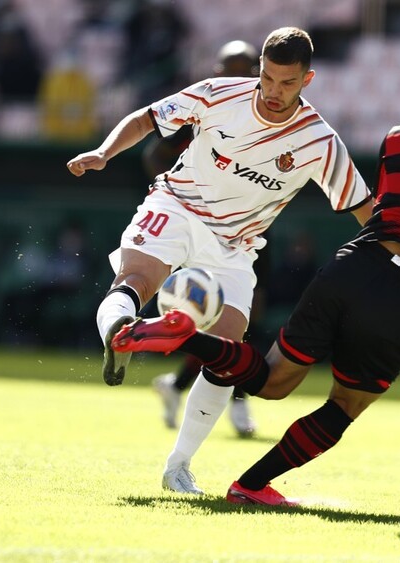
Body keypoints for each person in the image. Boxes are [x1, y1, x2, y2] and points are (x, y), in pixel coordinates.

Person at [111, 51, 400, 505]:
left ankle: (181, 335)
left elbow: (389, 205)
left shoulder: (399, 138)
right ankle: (249, 484)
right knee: (344, 405)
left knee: (270, 379)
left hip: (353, 264)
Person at [66, 27, 372, 495]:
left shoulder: (320, 142)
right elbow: (148, 118)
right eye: (268, 78)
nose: (273, 91)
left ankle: (177, 467)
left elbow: (364, 209)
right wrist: (105, 153)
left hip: (234, 247)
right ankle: (119, 334)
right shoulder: (218, 94)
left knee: (229, 353)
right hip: (176, 207)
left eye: (287, 83)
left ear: (307, 80)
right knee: (134, 280)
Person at [146, 40, 262, 438]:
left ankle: (178, 386)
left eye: (246, 68)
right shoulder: (205, 113)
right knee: (215, 318)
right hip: (203, 228)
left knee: (243, 319)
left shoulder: (272, 114)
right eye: (231, 67)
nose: (239, 75)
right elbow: (155, 153)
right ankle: (238, 404)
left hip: (248, 229)